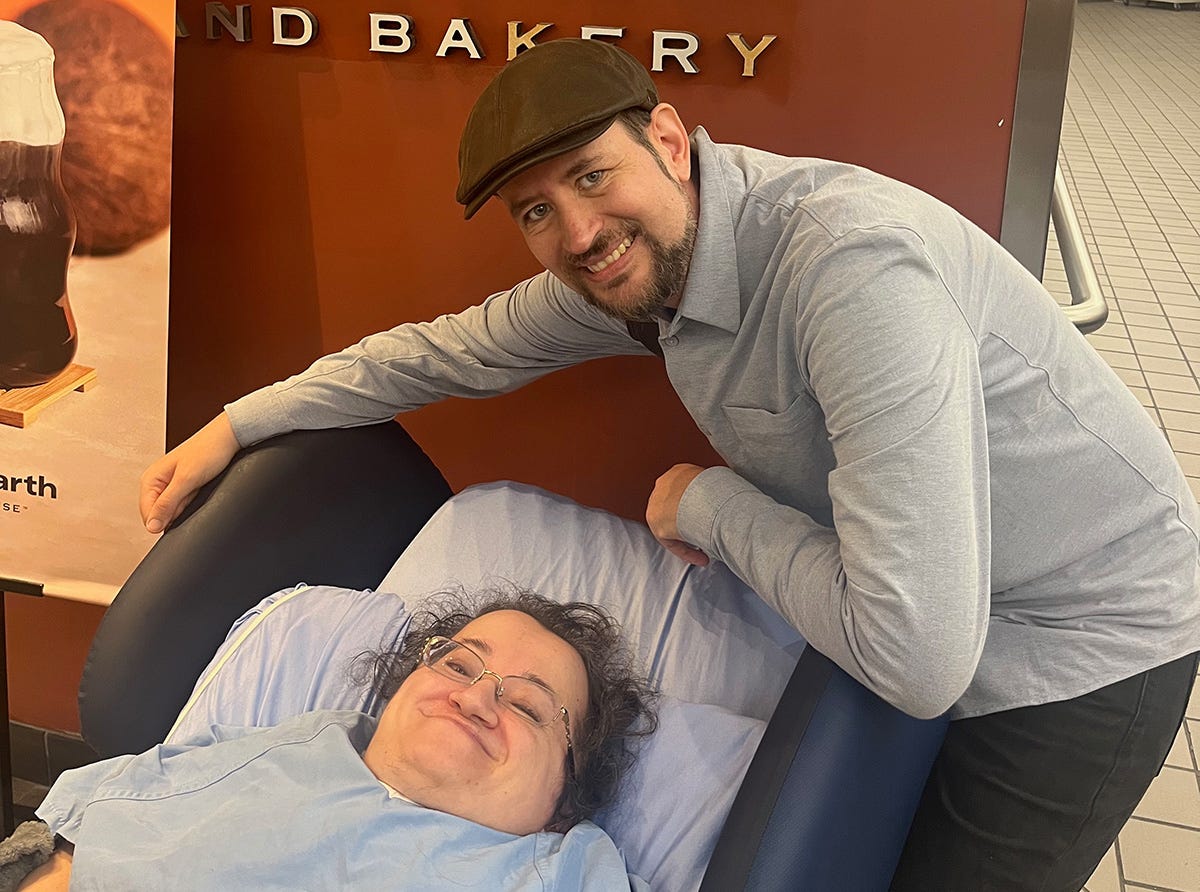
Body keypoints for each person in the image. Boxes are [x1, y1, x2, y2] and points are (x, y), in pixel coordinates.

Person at [138, 38, 1200, 891]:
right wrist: (236, 424)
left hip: (1081, 636)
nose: (581, 230)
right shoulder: (645, 275)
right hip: (920, 606)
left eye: (594, 176)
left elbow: (919, 655)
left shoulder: (847, 271)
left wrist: (711, 503)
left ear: (671, 140)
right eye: (537, 211)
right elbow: (439, 352)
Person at [15, 590, 657, 891]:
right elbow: (80, 839)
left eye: (526, 704)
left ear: (564, 798)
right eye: (459, 664)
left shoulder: (562, 874)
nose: (475, 697)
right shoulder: (300, 742)